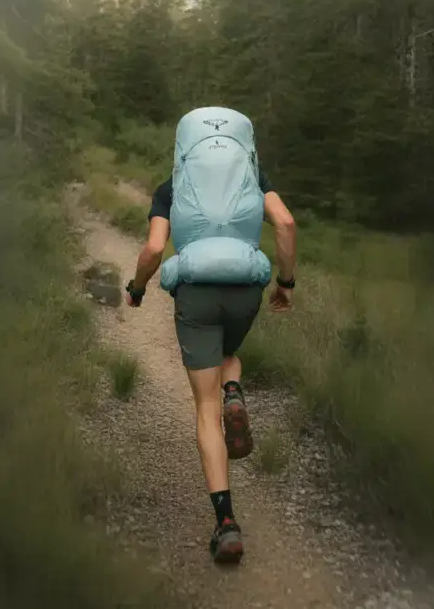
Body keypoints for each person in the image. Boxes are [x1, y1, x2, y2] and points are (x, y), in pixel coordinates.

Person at [122, 107, 297, 564]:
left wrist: (137, 290)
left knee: (205, 408)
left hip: (197, 293)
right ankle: (234, 389)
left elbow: (154, 249)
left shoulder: (171, 188)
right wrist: (285, 284)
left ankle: (226, 524)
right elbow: (287, 224)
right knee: (229, 355)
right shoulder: (255, 180)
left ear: (183, 147)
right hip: (246, 289)